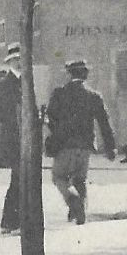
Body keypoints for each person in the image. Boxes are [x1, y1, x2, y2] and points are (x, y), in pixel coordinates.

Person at [44, 59, 116, 225]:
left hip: (64, 146)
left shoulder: (59, 93)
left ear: (69, 74)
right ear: (85, 75)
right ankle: (78, 211)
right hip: (85, 146)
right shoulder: (94, 96)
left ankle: (73, 201)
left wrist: (55, 133)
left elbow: (50, 119)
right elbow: (104, 123)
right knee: (80, 179)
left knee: (59, 177)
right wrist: (111, 147)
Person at [0, 46, 26, 232]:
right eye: (16, 60)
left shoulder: (26, 82)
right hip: (13, 138)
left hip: (24, 138)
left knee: (20, 179)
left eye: (21, 59)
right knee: (18, 179)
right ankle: (11, 222)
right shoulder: (4, 85)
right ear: (10, 62)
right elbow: (2, 114)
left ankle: (11, 222)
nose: (20, 62)